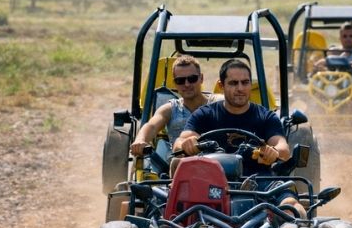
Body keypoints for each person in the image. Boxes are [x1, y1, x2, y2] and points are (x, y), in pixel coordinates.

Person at [174, 59, 306, 218]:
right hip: (210, 183)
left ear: (251, 84)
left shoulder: (266, 117)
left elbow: (283, 149)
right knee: (176, 212)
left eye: (245, 83)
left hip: (260, 182)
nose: (240, 88)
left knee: (293, 208)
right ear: (221, 86)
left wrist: (273, 152)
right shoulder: (204, 115)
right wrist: (188, 144)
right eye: (233, 83)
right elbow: (180, 143)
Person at [130, 54, 210, 166]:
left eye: (192, 79)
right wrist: (140, 140)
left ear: (201, 78)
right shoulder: (171, 108)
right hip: (179, 167)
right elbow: (152, 126)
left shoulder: (216, 104)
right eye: (180, 81)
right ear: (174, 83)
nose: (187, 84)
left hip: (218, 164)